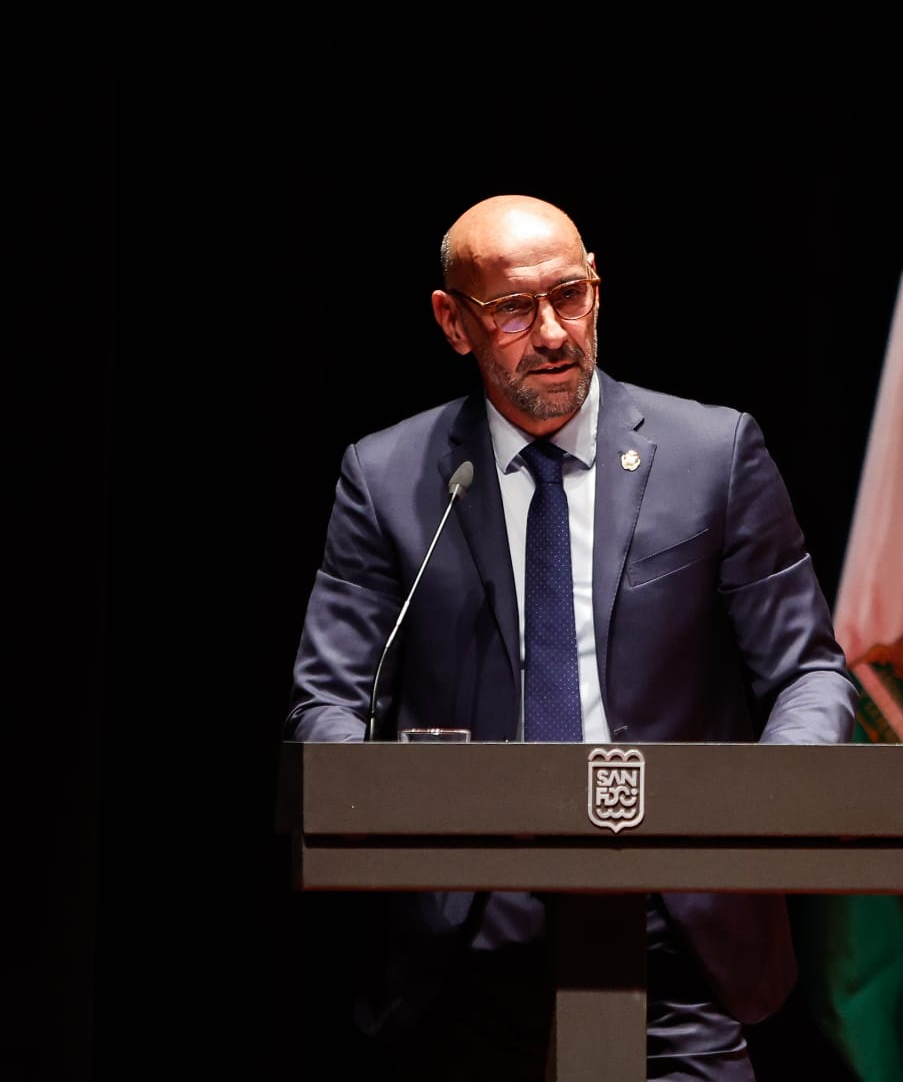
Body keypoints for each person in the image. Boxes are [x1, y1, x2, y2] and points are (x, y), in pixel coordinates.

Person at [284, 193, 857, 1080]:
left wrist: (773, 796)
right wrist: (375, 799)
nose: (553, 333)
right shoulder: (389, 477)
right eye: (514, 309)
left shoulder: (713, 453)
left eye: (572, 297)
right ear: (453, 322)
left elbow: (807, 674)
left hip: (676, 926)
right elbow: (330, 699)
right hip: (465, 941)